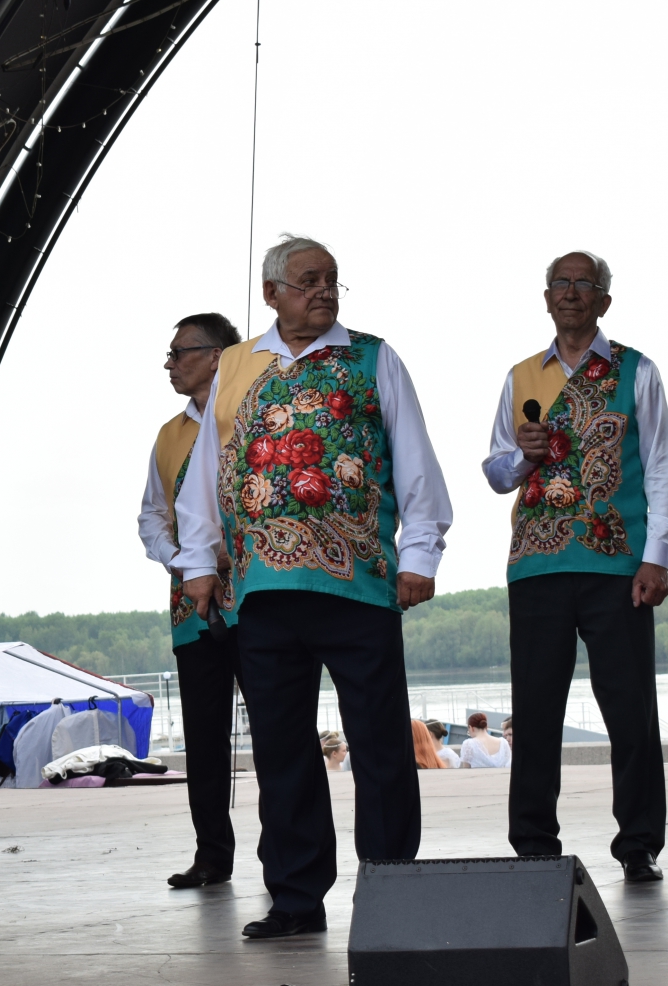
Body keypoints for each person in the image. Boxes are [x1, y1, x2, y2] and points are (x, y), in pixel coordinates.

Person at [176, 234, 453, 940]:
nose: (323, 291)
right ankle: (296, 899)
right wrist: (198, 565)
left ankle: (391, 890)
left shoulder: (372, 357)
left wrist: (420, 554)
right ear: (272, 293)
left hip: (358, 583)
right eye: (308, 281)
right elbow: (207, 474)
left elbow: (415, 463)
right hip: (261, 591)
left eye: (331, 280)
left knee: (380, 744)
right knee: (282, 750)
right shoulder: (237, 364)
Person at [482, 250, 668, 883]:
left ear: (603, 301)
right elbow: (496, 472)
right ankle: (534, 844)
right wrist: (523, 455)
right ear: (547, 298)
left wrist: (657, 557)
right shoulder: (521, 376)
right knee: (536, 710)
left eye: (583, 284)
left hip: (617, 565)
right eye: (560, 284)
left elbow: (661, 468)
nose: (570, 293)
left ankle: (639, 844)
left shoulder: (636, 371)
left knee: (630, 710)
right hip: (536, 566)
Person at [136, 311, 243, 889]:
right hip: (193, 605)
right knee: (202, 738)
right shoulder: (169, 434)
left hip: (257, 598)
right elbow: (151, 516)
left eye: (180, 353)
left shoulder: (249, 413)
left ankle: (289, 860)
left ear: (217, 356)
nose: (169, 364)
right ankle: (212, 856)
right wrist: (183, 561)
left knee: (282, 731)